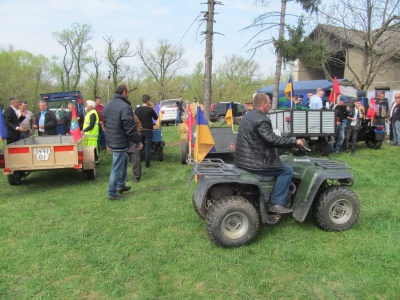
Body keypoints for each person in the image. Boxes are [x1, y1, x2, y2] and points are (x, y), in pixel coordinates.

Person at [234, 93, 304, 214]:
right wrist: (294, 142)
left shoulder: (248, 115)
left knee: (281, 163)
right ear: (263, 104)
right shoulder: (261, 119)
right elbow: (272, 139)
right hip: (256, 163)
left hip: (243, 159)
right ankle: (276, 203)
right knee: (287, 170)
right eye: (270, 102)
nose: (271, 105)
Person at [102, 85, 143, 201]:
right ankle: (111, 193)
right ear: (124, 92)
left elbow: (104, 123)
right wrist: (138, 141)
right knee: (117, 167)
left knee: (125, 160)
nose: (128, 94)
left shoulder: (108, 105)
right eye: (128, 92)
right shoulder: (125, 107)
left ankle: (121, 185)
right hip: (119, 141)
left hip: (112, 140)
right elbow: (130, 127)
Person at [135, 94, 158, 169]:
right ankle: (147, 165)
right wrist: (152, 108)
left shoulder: (137, 109)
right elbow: (156, 117)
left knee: (139, 147)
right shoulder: (150, 109)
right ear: (148, 101)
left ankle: (138, 164)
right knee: (147, 148)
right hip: (148, 130)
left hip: (139, 131)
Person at [82, 100, 100, 165]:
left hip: (92, 135)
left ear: (91, 106)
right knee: (91, 149)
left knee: (93, 149)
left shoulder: (93, 113)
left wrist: (84, 130)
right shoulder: (89, 112)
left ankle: (96, 161)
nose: (86, 106)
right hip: (89, 135)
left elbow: (91, 125)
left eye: (87, 105)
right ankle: (93, 160)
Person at [126, 112, 142, 183]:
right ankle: (136, 177)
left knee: (135, 158)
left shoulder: (114, 112)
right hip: (127, 138)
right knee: (134, 157)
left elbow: (138, 124)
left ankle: (136, 176)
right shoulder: (130, 113)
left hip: (128, 139)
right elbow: (138, 124)